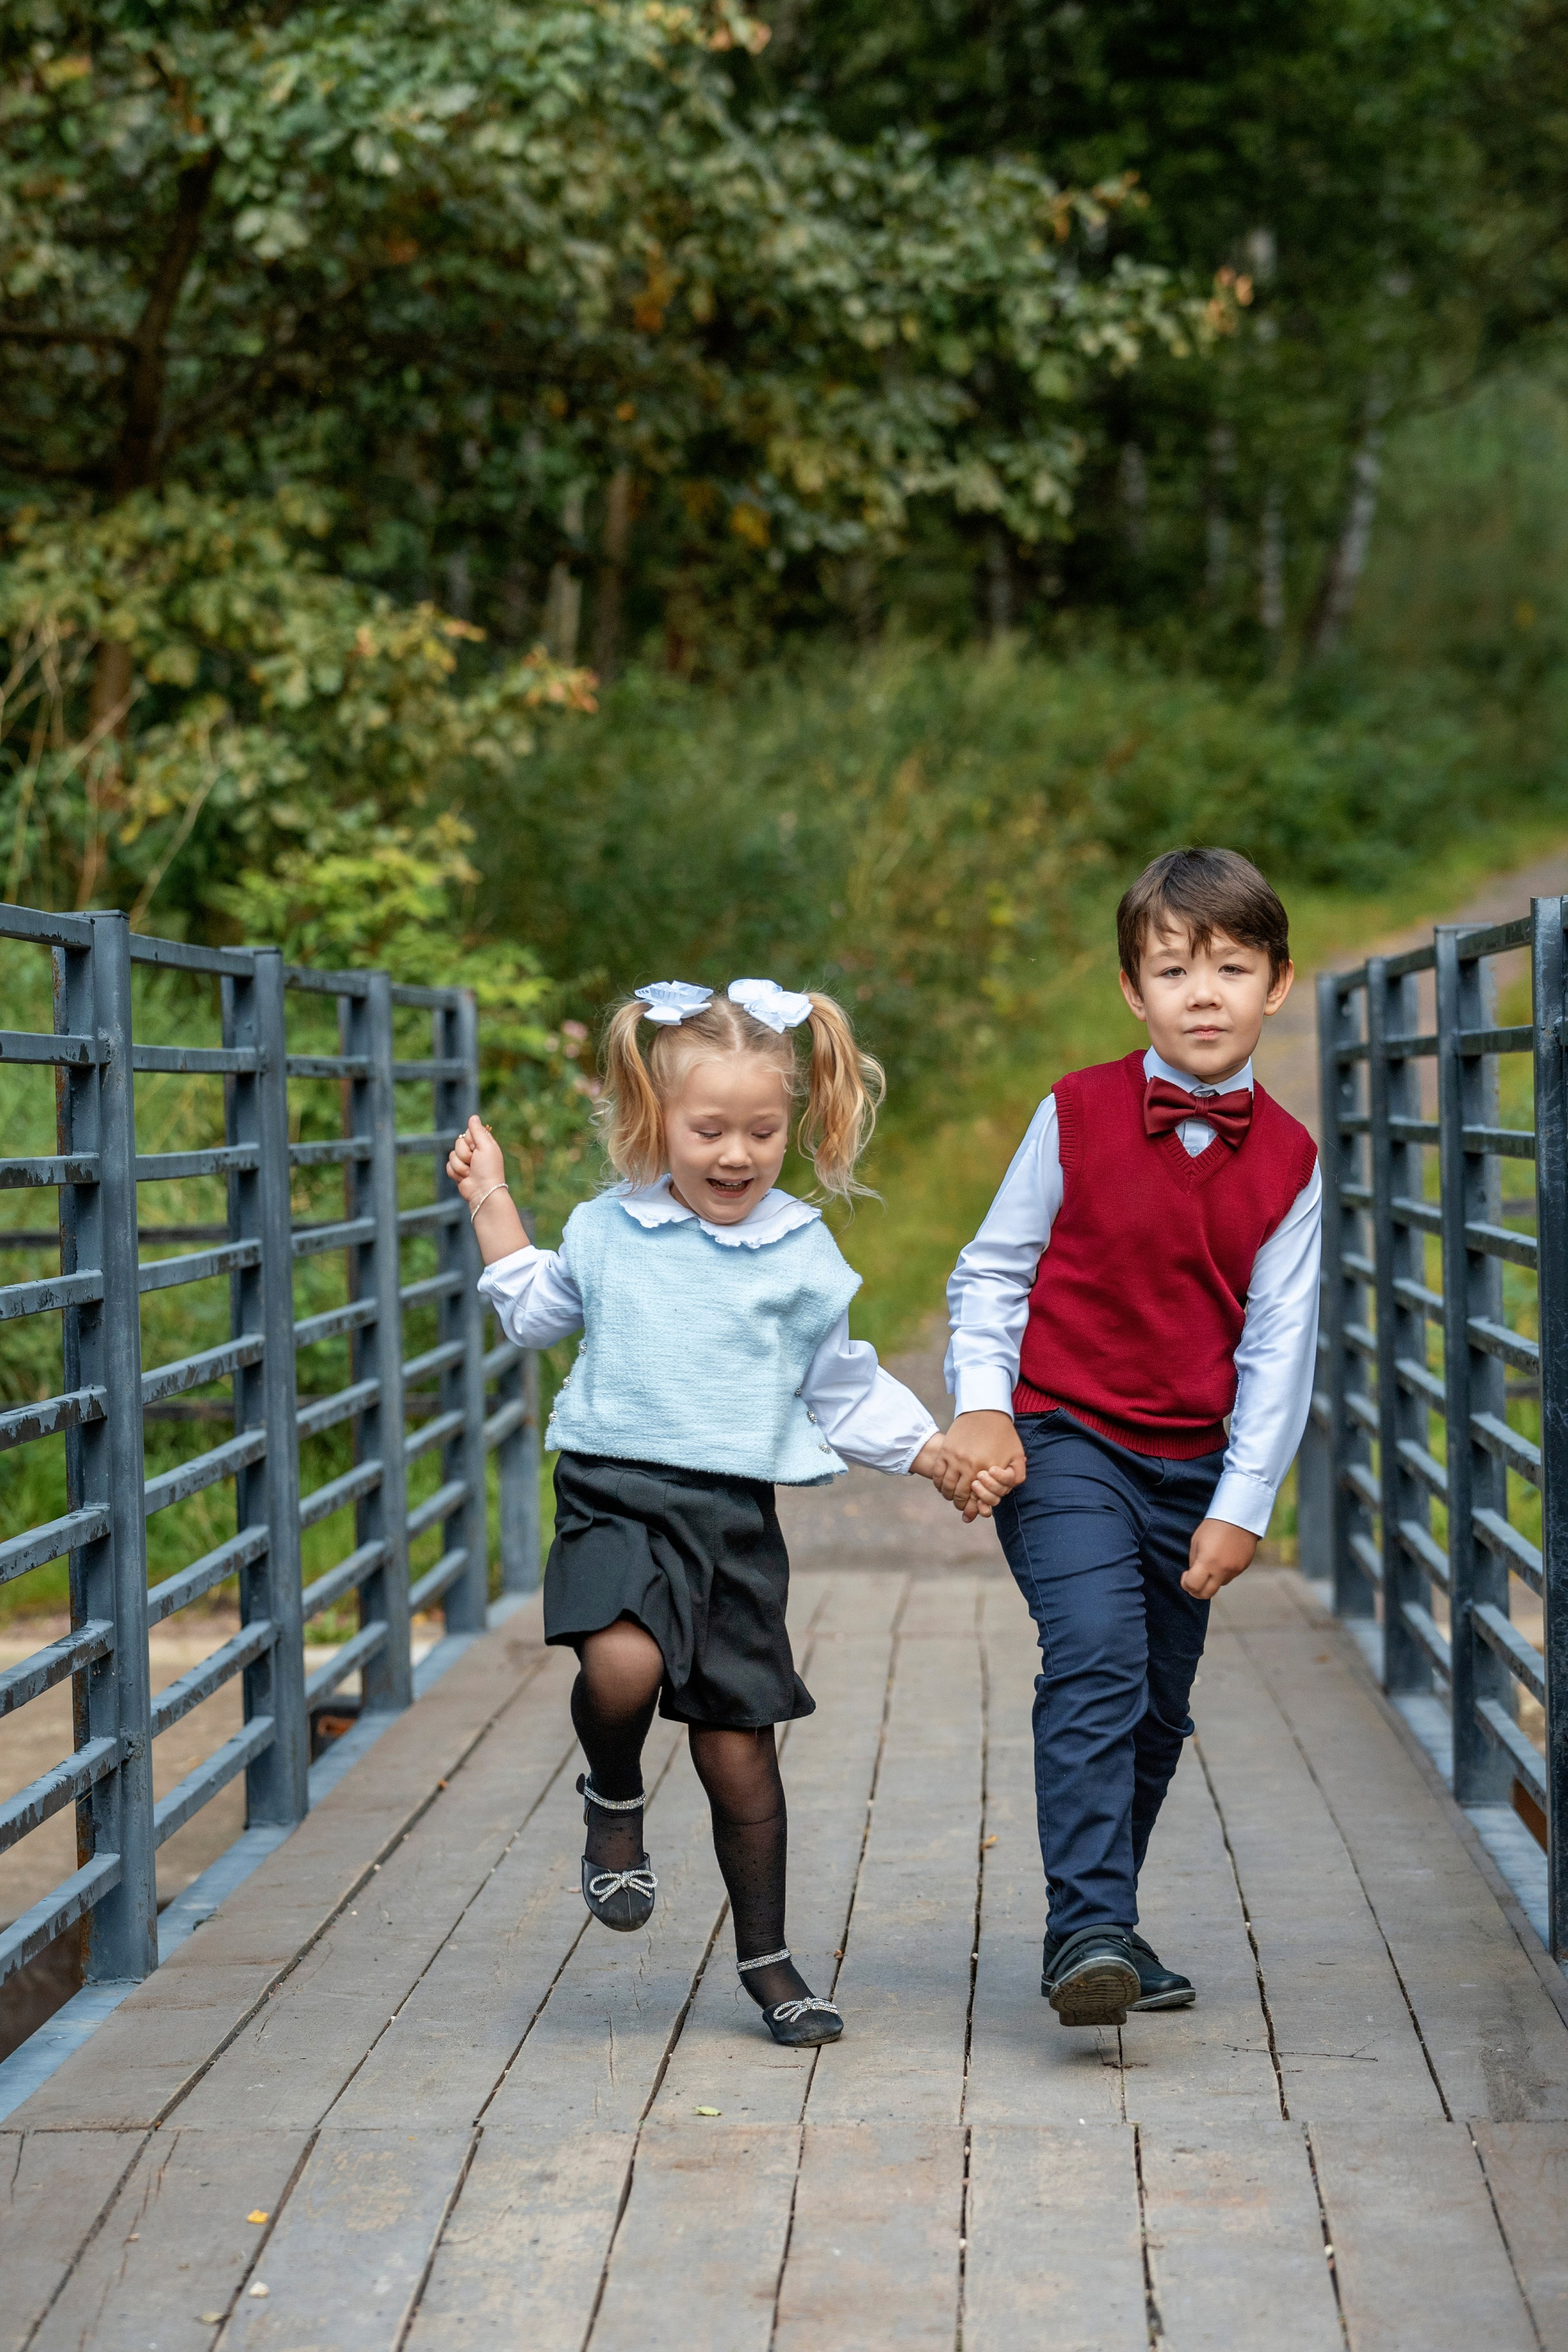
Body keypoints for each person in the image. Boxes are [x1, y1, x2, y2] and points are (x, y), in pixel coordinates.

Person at [447, 976, 946, 2049]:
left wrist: (934, 1452)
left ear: (792, 1126)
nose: (735, 1154)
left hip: (728, 1523)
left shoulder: (801, 1252)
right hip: (611, 1492)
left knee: (738, 1754)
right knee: (620, 1664)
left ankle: (770, 1964)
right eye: (709, 1129)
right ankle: (614, 1797)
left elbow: (841, 1388)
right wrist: (491, 1198)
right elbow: (536, 1314)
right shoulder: (607, 1230)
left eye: (762, 1131)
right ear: (653, 1120)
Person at [938, 848, 1321, 2029]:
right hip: (1063, 1437)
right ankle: (1092, 1929)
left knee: (1155, 1704)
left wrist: (1242, 1503)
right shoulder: (1077, 1112)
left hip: (1193, 1460)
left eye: (1231, 968)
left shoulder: (1294, 1163)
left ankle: (1099, 1927)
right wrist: (984, 1400)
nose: (1203, 995)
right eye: (1173, 970)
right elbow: (992, 1271)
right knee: (1097, 1651)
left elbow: (1280, 1345)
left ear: (1278, 985)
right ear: (1132, 991)